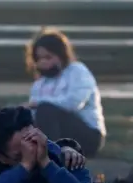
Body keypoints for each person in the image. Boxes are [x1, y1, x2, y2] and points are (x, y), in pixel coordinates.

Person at [23, 29, 106, 157]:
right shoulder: (40, 83)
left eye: (48, 57)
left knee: (46, 109)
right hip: (57, 133)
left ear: (61, 56)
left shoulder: (77, 71)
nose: (43, 62)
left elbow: (73, 103)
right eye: (39, 59)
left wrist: (38, 104)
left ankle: (50, 157)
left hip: (87, 135)